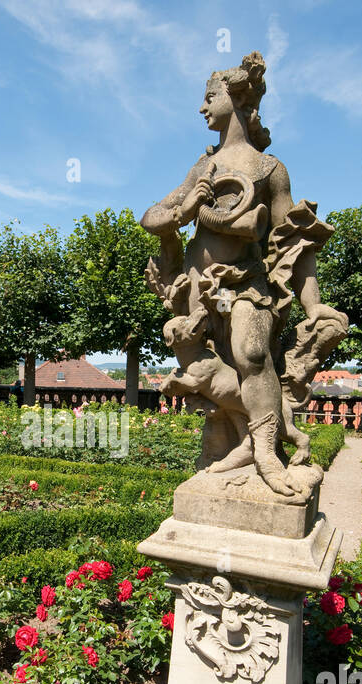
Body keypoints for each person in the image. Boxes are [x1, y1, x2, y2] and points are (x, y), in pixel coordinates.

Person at [139, 51, 348, 499]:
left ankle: (267, 454)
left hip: (246, 281)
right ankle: (229, 454)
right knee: (211, 373)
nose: (202, 108)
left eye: (209, 98)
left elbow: (297, 238)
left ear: (234, 99)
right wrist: (190, 208)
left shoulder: (269, 169)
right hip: (196, 285)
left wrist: (313, 306)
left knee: (252, 355)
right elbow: (151, 217)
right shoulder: (203, 167)